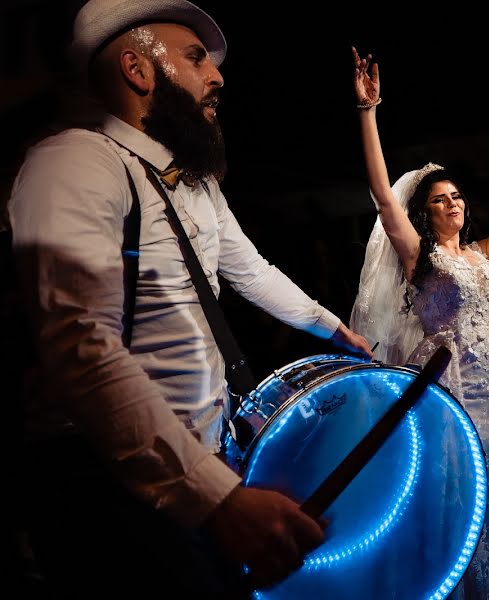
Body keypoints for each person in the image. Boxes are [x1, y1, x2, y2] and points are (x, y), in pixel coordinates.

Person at [7, 0, 372, 597]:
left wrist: (335, 331)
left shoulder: (195, 180)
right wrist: (218, 499)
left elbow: (251, 270)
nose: (218, 77)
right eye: (196, 58)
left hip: (197, 467)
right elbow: (80, 343)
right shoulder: (74, 161)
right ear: (137, 69)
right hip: (107, 479)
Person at [349, 48, 489, 599]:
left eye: (457, 196)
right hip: (451, 388)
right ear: (426, 213)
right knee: (463, 495)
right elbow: (382, 195)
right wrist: (368, 112)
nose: (452, 204)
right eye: (441, 199)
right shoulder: (420, 257)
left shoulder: (480, 254)